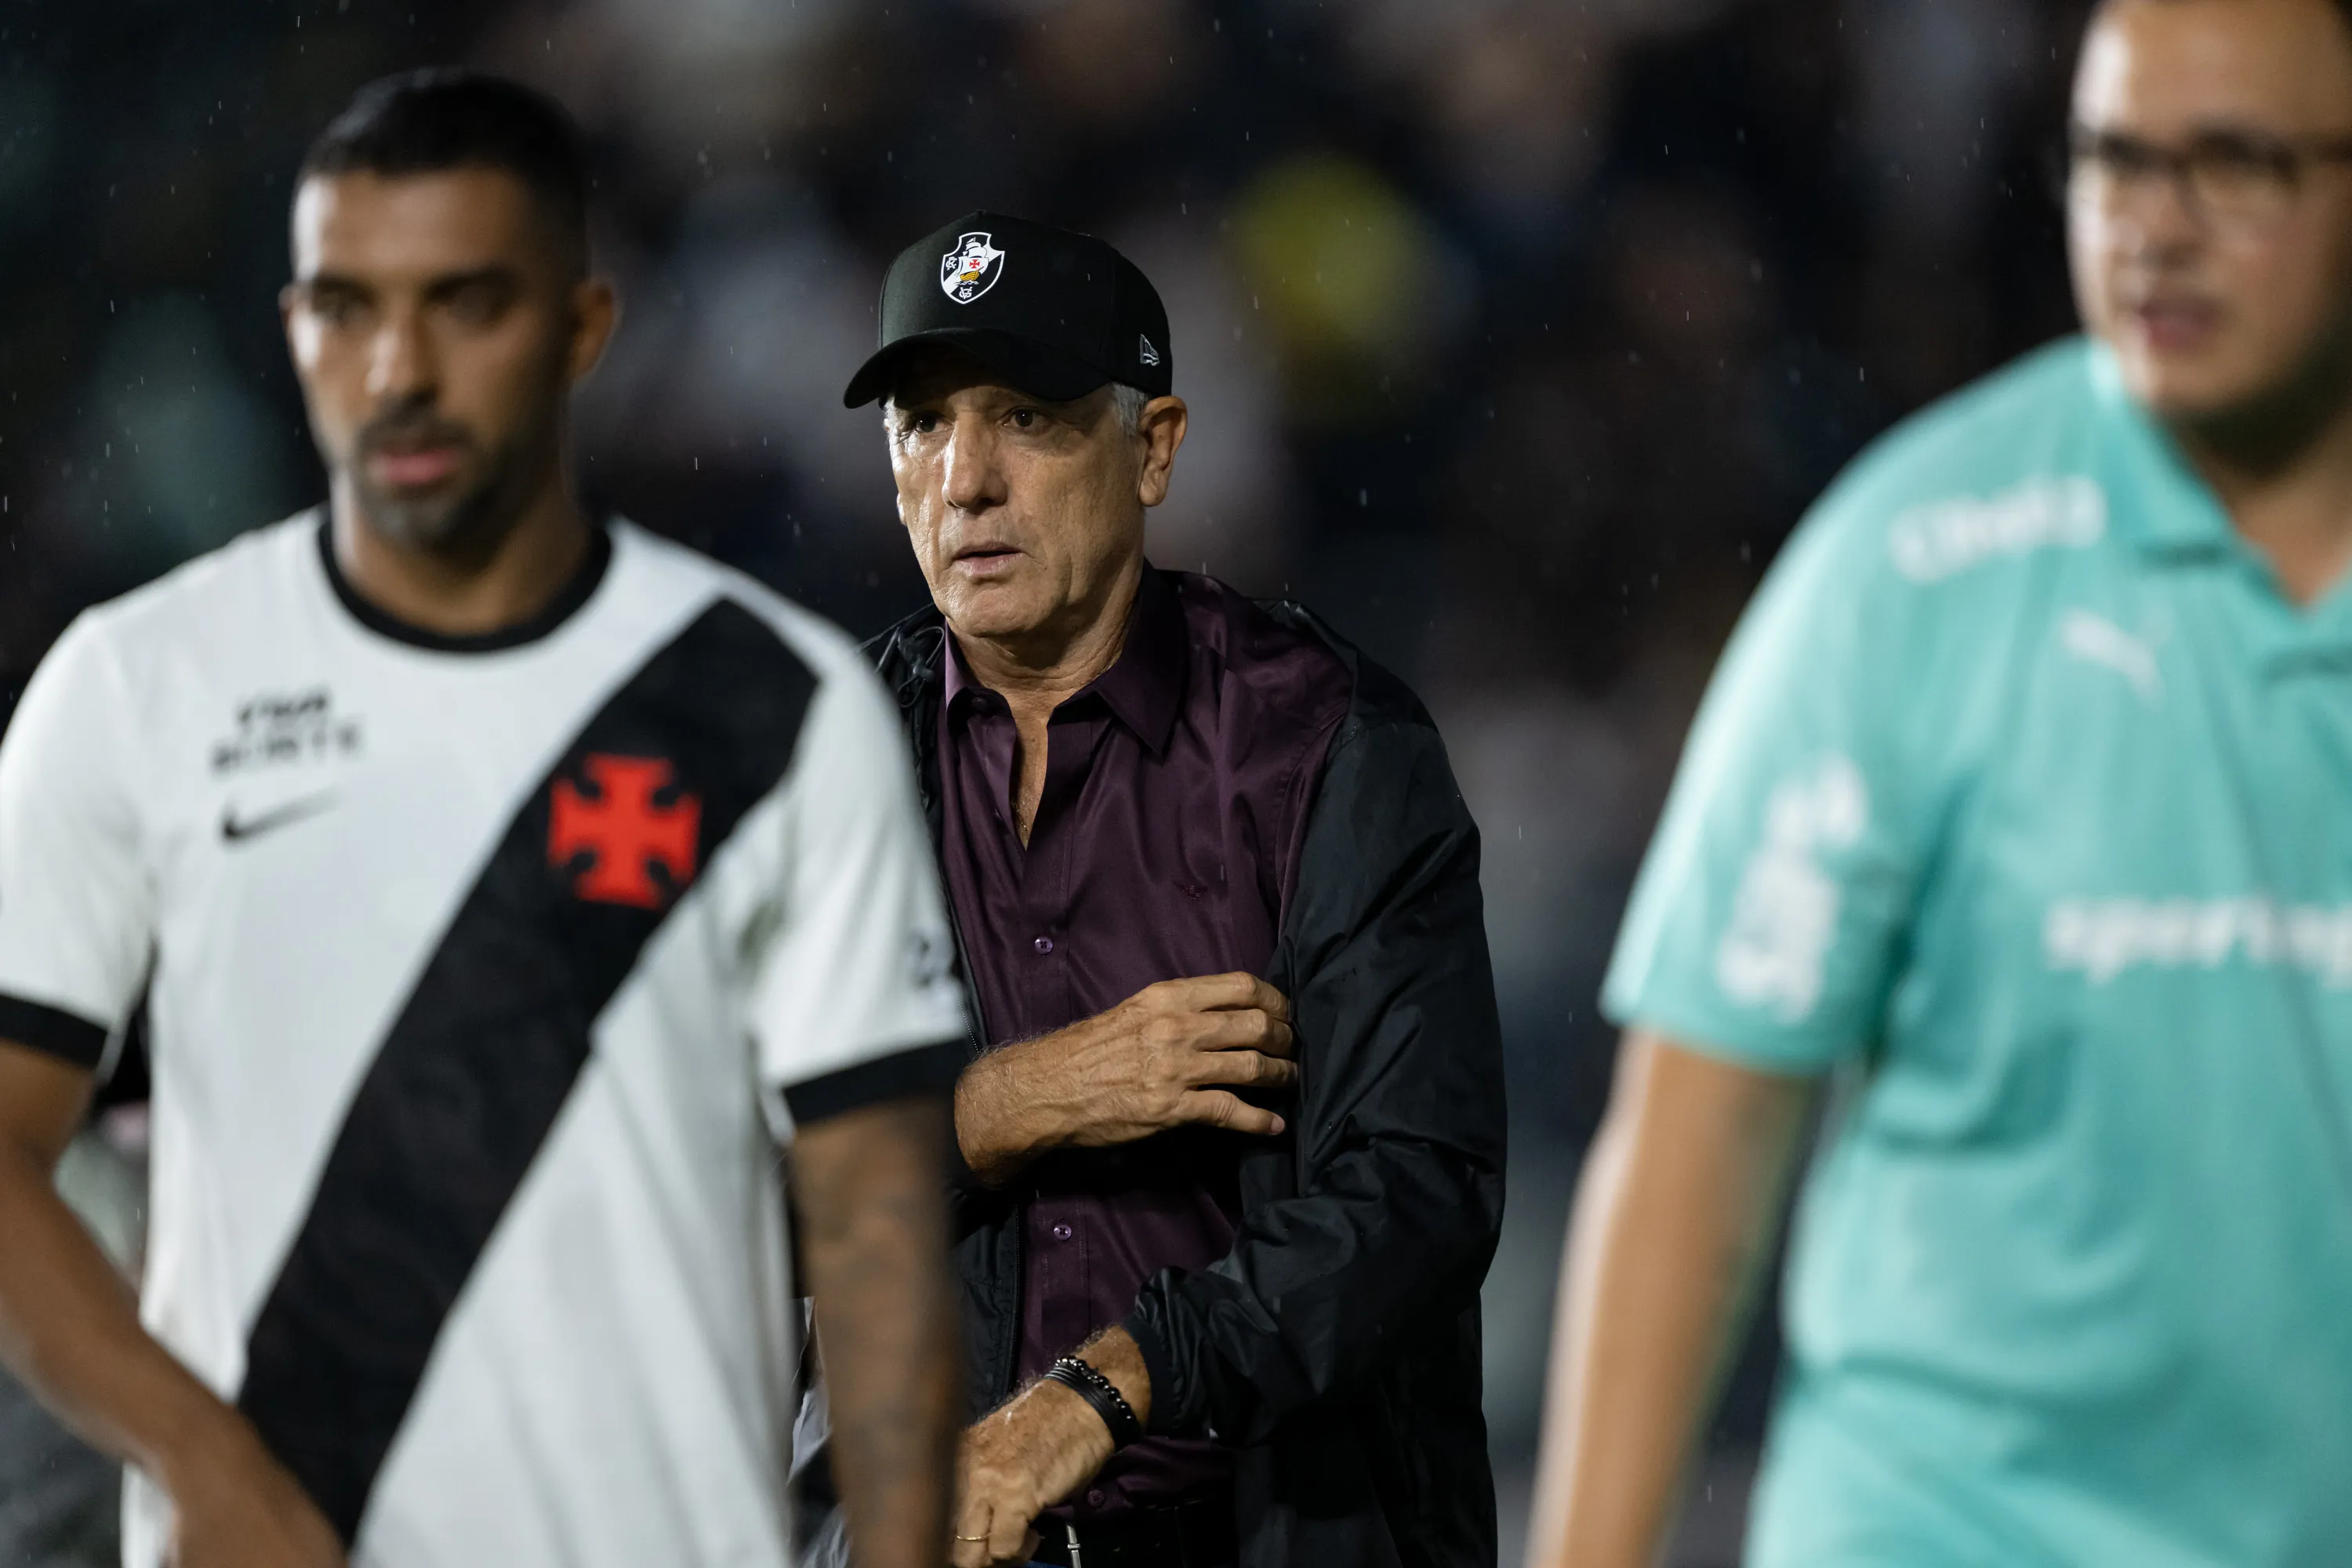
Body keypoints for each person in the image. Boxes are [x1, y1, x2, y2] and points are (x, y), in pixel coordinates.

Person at [0, 70, 966, 1568]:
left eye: (467, 305)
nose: (398, 369)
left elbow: (875, 1214)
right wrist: (213, 1471)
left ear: (583, 330)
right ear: (291, 329)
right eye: (346, 308)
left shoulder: (772, 705)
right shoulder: (135, 689)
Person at [1527, 2, 2352, 1564]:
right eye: (2114, 164)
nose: (2156, 228)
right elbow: (1700, 1130)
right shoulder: (1907, 569)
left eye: (2234, 165)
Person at [844, 212, 1508, 1568]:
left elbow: (1419, 1193)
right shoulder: (823, 763)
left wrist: (1107, 1389)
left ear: (1151, 449)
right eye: (923, 426)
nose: (964, 478)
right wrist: (1032, 1096)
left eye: (1024, 417)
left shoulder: (1326, 744)